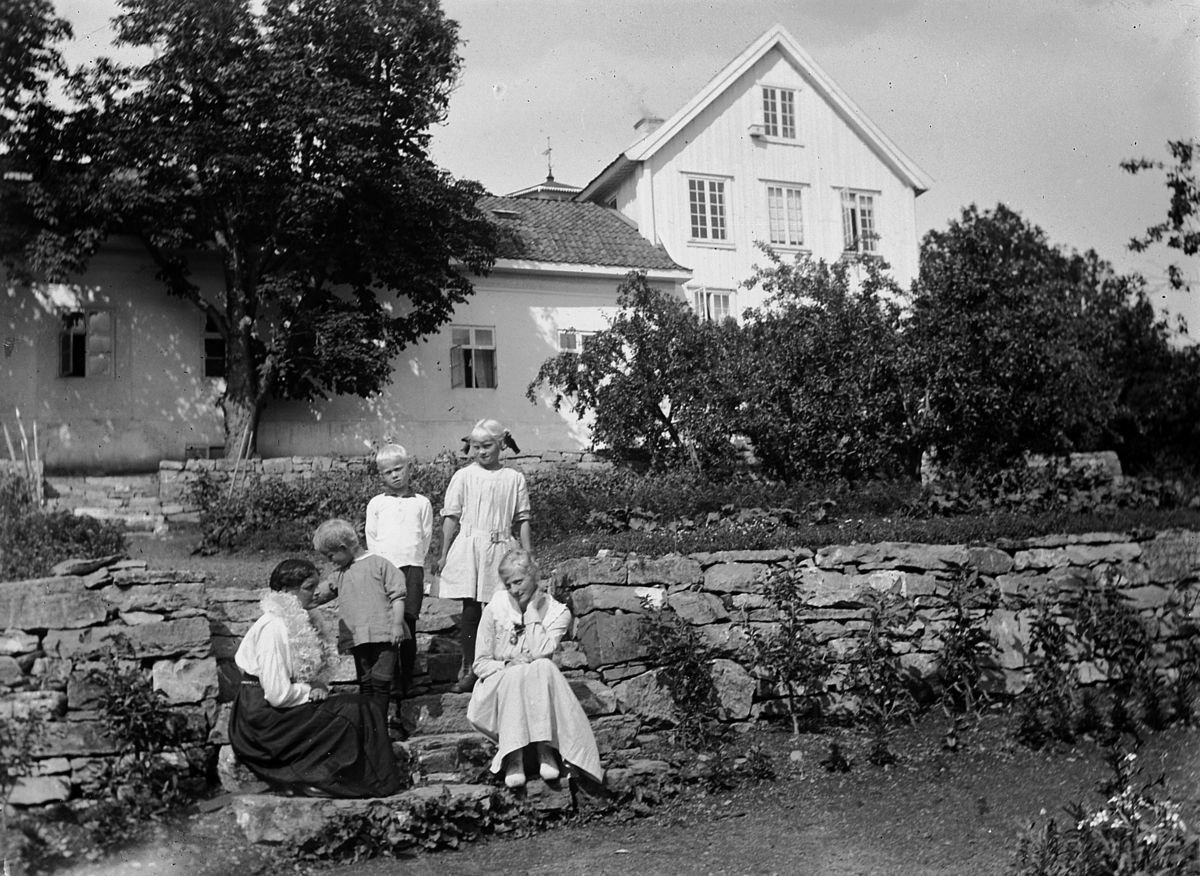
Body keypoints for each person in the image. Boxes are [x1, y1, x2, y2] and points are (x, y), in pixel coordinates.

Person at [228, 558, 404, 798]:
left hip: (275, 708)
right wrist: (309, 692)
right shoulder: (274, 627)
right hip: (261, 718)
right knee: (354, 710)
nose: (316, 593)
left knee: (361, 706)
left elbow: (292, 678)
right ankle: (322, 779)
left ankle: (347, 779)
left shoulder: (296, 621)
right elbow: (277, 694)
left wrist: (313, 685)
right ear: (288, 591)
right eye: (309, 587)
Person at [467, 549, 602, 789]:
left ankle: (545, 751)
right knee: (519, 671)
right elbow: (480, 663)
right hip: (498, 687)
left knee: (541, 666)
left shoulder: (558, 613)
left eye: (518, 582)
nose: (514, 590)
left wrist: (530, 612)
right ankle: (514, 757)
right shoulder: (495, 607)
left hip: (538, 683)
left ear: (534, 576)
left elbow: (542, 652)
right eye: (508, 585)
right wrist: (507, 664)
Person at [434, 418, 532, 693]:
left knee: (499, 607)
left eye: (487, 446)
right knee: (470, 607)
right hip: (470, 544)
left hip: (501, 546)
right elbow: (451, 516)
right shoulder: (464, 476)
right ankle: (469, 667)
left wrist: (527, 554)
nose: (481, 452)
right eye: (476, 447)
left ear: (500, 445)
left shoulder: (514, 478)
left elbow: (522, 519)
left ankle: (495, 666)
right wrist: (443, 553)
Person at [311, 518, 410, 721]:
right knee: (365, 682)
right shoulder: (340, 574)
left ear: (343, 547)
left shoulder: (380, 564)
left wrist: (397, 624)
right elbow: (318, 595)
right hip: (359, 637)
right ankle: (368, 723)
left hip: (384, 634)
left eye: (331, 556)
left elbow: (397, 596)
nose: (331, 562)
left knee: (381, 682)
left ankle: (379, 723)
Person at [365, 443, 432, 709]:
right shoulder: (377, 504)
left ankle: (409, 679)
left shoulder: (422, 502)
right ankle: (391, 680)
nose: (395, 475)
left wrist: (415, 562)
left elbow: (425, 536)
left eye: (399, 469)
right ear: (381, 475)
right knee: (389, 625)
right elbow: (371, 537)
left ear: (409, 468)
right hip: (386, 569)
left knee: (408, 625)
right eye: (388, 472)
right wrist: (381, 567)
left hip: (412, 568)